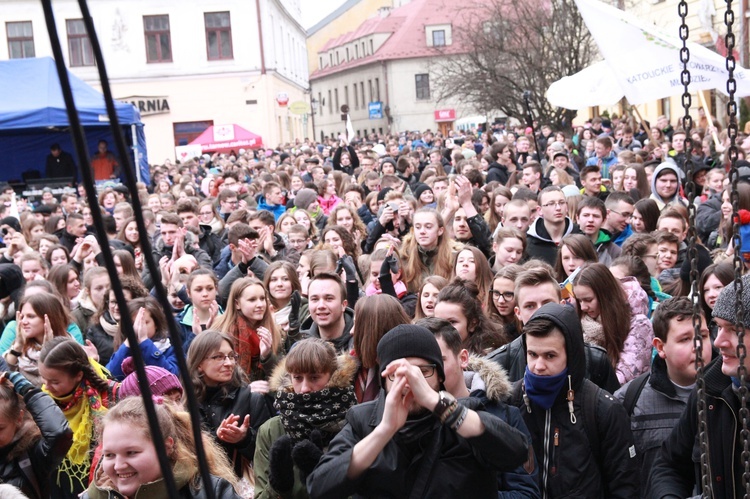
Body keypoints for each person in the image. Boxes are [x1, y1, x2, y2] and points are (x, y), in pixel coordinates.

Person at [307, 324, 530, 498]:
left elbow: (516, 452)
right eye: (398, 374)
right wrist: (384, 431)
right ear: (384, 381)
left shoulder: (465, 416)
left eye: (423, 371)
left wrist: (442, 407)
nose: (411, 382)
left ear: (440, 376)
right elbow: (320, 487)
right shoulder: (362, 421)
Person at [508, 303, 639, 497]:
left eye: (550, 355)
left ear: (571, 355)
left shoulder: (602, 409)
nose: (538, 366)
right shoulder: (510, 401)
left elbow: (625, 487)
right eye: (532, 354)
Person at [649, 274, 750, 497]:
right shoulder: (710, 390)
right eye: (718, 327)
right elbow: (669, 466)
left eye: (734, 330)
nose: (718, 342)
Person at [419, 317, 540, 498]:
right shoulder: (407, 418)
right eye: (419, 368)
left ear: (463, 358)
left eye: (440, 360)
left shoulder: (504, 415)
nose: (431, 373)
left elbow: (527, 493)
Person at [614, 297, 713, 498]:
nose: (698, 346)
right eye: (685, 339)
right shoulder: (631, 399)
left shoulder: (729, 396)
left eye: (702, 336)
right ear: (660, 347)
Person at [486, 267, 620, 393]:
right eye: (530, 306)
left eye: (547, 303)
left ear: (562, 305)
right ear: (518, 312)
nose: (540, 311)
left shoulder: (595, 360)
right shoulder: (499, 365)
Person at [254, 338, 357, 499]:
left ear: (333, 377)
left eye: (314, 378)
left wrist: (327, 482)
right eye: (297, 378)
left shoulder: (354, 424)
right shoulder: (271, 430)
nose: (304, 388)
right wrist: (278, 487)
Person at [82, 396, 243, 498]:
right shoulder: (93, 496)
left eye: (131, 453)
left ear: (166, 447)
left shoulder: (210, 492)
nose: (118, 466)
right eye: (109, 455)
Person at [187, 330, 271, 480]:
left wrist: (243, 439)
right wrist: (217, 438)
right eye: (218, 357)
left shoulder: (251, 398)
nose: (229, 363)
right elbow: (186, 454)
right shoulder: (186, 402)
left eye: (231, 356)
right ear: (199, 364)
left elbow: (268, 454)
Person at [39, 337, 115, 499]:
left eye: (54, 382)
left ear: (78, 375)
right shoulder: (43, 399)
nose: (46, 386)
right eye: (43, 378)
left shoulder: (108, 396)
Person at [573, 263, 654, 385]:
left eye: (588, 300)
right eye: (579, 301)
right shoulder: (582, 323)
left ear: (606, 296)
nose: (583, 307)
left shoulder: (639, 325)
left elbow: (623, 378)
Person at [0, 370, 72, 499]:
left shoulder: (33, 450)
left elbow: (59, 434)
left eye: (0, 429)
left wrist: (28, 390)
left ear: (19, 418)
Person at [213, 277, 281, 382]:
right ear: (237, 304)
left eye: (262, 298)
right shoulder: (221, 332)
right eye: (252, 300)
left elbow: (281, 377)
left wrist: (267, 356)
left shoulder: (274, 330)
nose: (260, 305)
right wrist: (247, 390)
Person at [106, 296, 180, 380]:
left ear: (156, 324)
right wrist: (129, 342)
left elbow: (170, 377)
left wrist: (145, 342)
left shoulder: (170, 349)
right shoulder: (124, 348)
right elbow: (110, 376)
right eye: (132, 323)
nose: (137, 327)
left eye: (144, 322)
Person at [434, 280, 506, 355]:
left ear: (472, 324)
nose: (443, 328)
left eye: (452, 322)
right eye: (438, 321)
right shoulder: (429, 353)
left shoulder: (492, 357)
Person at [299, 272, 354, 354]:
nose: (321, 306)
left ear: (343, 305)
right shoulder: (300, 349)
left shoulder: (361, 343)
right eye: (315, 299)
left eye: (329, 298)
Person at [526, 186, 579, 266]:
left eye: (561, 203)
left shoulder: (579, 237)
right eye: (551, 204)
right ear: (540, 210)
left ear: (567, 207)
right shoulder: (529, 244)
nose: (558, 208)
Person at [176, 269, 222, 353]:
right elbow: (179, 360)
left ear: (216, 289)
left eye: (210, 288)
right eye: (198, 289)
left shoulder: (229, 318)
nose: (205, 294)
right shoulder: (178, 323)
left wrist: (216, 330)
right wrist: (194, 336)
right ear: (188, 293)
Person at [575, 196, 622, 266]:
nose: (590, 220)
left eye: (596, 216)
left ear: (603, 221)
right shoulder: (569, 246)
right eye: (586, 215)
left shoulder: (614, 251)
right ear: (577, 218)